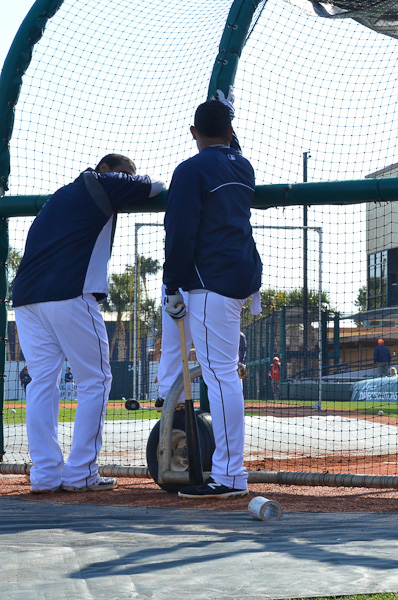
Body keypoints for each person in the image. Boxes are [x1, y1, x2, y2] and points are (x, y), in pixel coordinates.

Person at [12, 153, 164, 494]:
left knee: (41, 384)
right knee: (96, 380)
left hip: (27, 299)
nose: (126, 181)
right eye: (123, 174)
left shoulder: (62, 195)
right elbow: (156, 186)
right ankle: (81, 472)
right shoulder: (97, 182)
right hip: (69, 293)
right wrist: (130, 180)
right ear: (107, 169)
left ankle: (47, 476)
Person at [157, 93, 262, 499]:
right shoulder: (243, 164)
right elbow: (228, 151)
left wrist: (171, 284)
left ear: (193, 132)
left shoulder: (191, 168)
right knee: (224, 376)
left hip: (211, 283)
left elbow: (179, 231)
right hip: (243, 278)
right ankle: (230, 471)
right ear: (231, 131)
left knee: (220, 377)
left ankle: (230, 476)